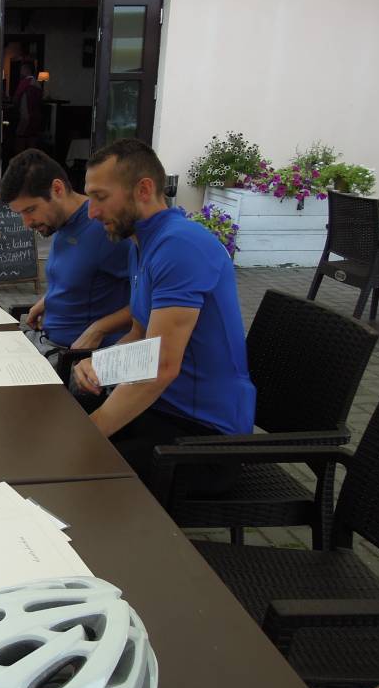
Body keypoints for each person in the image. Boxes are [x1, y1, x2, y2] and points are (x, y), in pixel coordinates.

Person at [73, 139, 256, 493]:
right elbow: (140, 335)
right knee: (60, 431)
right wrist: (101, 363)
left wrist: (89, 434)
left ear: (143, 189)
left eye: (100, 197)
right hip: (163, 410)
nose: (91, 213)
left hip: (206, 438)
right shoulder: (141, 242)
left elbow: (160, 366)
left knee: (78, 471)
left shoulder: (180, 246)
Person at [1, 148, 131, 356]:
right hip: (46, 341)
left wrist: (100, 329)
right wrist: (48, 300)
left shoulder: (104, 228)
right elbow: (81, 275)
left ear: (57, 189)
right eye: (20, 214)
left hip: (76, 358)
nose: (26, 223)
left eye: (30, 210)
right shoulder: (61, 223)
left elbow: (150, 299)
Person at [12, 62, 44, 154]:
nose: (20, 72)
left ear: (26, 70)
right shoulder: (37, 84)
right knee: (32, 139)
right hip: (36, 116)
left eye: (22, 70)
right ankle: (32, 159)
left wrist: (15, 107)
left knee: (19, 138)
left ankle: (20, 159)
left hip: (26, 116)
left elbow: (16, 98)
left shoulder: (25, 82)